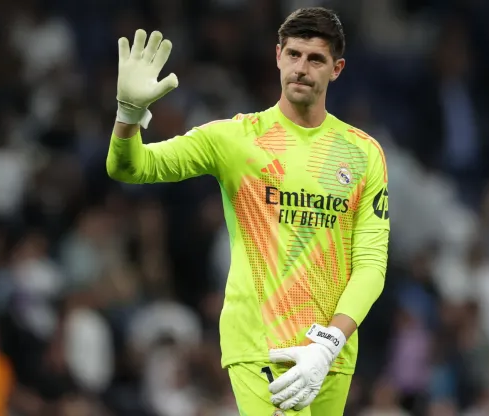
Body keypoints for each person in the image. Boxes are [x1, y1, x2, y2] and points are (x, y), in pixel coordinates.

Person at [106, 7, 389, 415]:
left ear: (337, 69)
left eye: (315, 59)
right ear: (277, 56)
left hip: (333, 353)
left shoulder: (363, 153)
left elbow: (370, 265)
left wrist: (330, 342)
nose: (301, 68)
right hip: (261, 344)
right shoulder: (234, 138)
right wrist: (128, 115)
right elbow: (130, 167)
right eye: (293, 55)